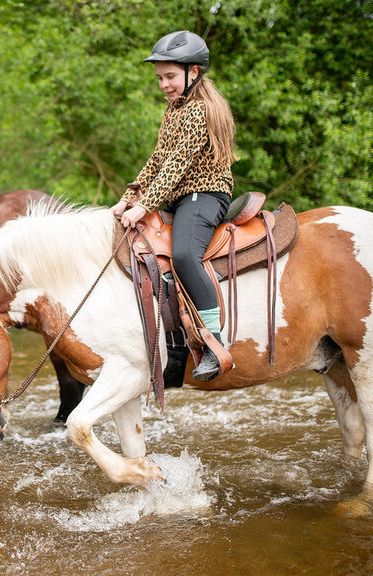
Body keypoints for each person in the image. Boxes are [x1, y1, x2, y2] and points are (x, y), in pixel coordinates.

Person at [110, 30, 236, 381]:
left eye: (170, 76)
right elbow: (157, 160)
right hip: (182, 194)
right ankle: (174, 347)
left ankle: (214, 342)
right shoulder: (173, 110)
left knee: (182, 254)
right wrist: (128, 197)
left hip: (206, 193)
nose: (164, 84)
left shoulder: (199, 110)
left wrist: (145, 204)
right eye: (159, 78)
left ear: (192, 73)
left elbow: (177, 165)